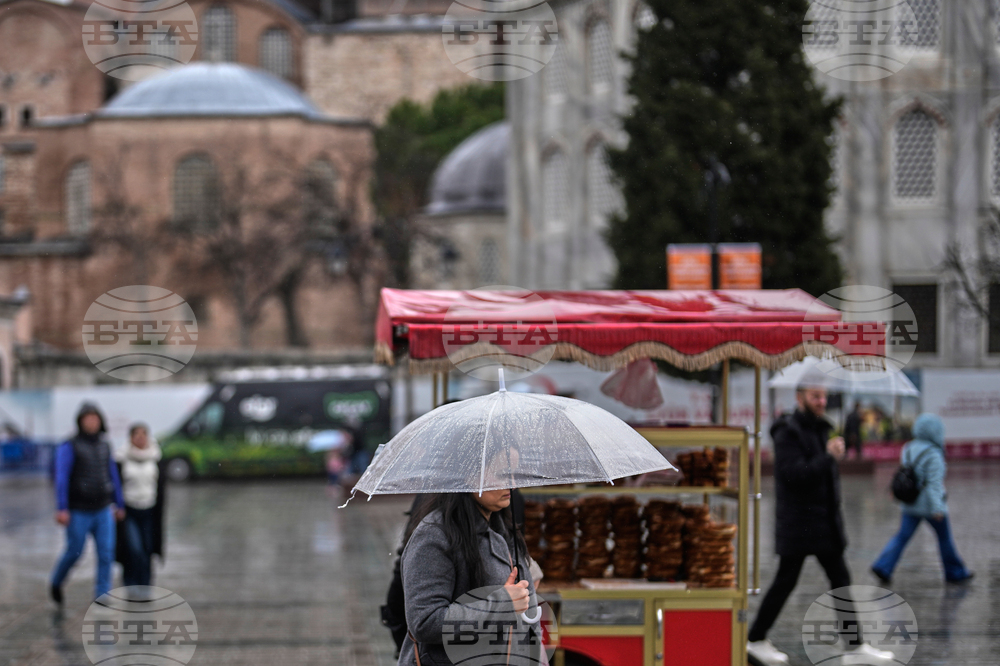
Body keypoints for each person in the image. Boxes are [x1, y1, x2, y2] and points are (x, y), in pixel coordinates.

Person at [747, 382, 893, 666]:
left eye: (824, 396)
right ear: (799, 397)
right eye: (815, 396)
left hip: (823, 522)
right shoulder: (787, 431)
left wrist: (830, 453)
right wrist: (828, 457)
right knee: (786, 581)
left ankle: (854, 646)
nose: (822, 401)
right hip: (800, 523)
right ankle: (755, 639)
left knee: (839, 579)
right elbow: (793, 475)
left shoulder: (820, 428)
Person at [397, 490, 542, 666]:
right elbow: (425, 621)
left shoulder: (503, 529)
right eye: (497, 474)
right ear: (468, 480)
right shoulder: (434, 535)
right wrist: (502, 605)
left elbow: (530, 615)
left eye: (509, 474)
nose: (508, 484)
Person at [871, 413, 974, 584]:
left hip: (910, 503)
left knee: (901, 536)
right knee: (944, 538)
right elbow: (934, 484)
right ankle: (955, 572)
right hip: (929, 506)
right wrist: (937, 508)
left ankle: (883, 566)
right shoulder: (934, 455)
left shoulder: (908, 448)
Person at [50, 403, 125, 604]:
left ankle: (102, 596)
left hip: (102, 509)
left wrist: (119, 503)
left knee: (106, 553)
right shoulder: (70, 445)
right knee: (75, 551)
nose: (91, 422)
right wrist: (62, 507)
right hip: (78, 510)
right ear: (80, 421)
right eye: (87, 418)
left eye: (95, 418)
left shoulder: (104, 444)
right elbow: (62, 477)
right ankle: (56, 581)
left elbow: (112, 475)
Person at [115, 423, 167, 589]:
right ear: (130, 438)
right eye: (136, 435)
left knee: (147, 550)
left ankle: (145, 584)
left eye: (143, 435)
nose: (140, 438)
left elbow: (161, 486)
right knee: (133, 549)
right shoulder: (121, 459)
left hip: (149, 511)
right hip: (129, 510)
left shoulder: (156, 457)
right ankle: (130, 583)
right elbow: (115, 485)